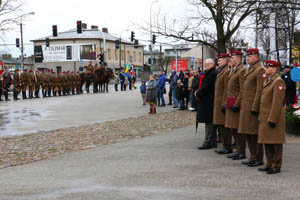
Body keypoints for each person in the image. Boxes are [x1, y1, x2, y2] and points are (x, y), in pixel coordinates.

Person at [257, 60, 286, 174]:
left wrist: (273, 119)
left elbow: (277, 103)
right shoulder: (268, 80)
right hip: (265, 116)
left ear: (274, 69)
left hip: (273, 117)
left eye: (267, 68)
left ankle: (276, 165)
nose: (265, 69)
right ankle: (269, 163)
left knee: (275, 143)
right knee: (267, 141)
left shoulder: (278, 82)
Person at [238, 48, 265, 167]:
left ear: (256, 57)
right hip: (246, 105)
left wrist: (255, 107)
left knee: (254, 133)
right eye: (247, 56)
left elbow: (260, 90)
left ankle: (258, 158)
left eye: (250, 56)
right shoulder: (250, 69)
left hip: (252, 106)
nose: (248, 58)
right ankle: (253, 156)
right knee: (248, 132)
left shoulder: (259, 70)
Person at [225, 50, 247, 160]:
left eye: (232, 58)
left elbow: (243, 90)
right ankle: (238, 150)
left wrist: (237, 104)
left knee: (238, 129)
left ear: (238, 59)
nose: (230, 60)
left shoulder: (241, 70)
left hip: (236, 104)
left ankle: (241, 151)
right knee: (233, 128)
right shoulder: (234, 70)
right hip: (231, 102)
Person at [195, 58, 218, 150]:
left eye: (208, 64)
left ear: (212, 64)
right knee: (209, 121)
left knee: (209, 121)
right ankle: (212, 140)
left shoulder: (212, 74)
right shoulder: (209, 73)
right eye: (205, 64)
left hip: (209, 100)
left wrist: (198, 93)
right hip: (207, 100)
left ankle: (208, 141)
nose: (206, 65)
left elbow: (206, 87)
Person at [213, 53, 233, 155]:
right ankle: (225, 145)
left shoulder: (226, 71)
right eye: (218, 60)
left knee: (225, 127)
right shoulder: (222, 71)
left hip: (222, 103)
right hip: (218, 102)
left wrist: (224, 103)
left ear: (226, 60)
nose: (218, 62)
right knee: (221, 126)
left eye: (220, 60)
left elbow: (226, 89)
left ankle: (228, 146)